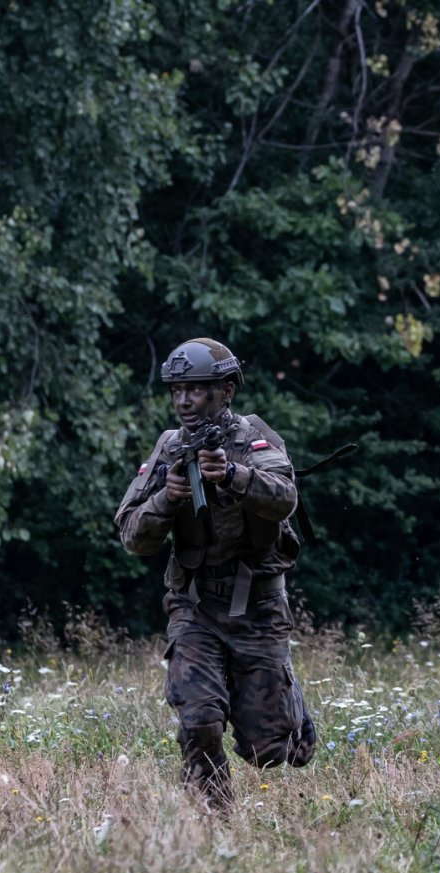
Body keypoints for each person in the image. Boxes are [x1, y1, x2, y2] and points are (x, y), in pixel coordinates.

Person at [114, 337, 315, 809]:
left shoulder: (254, 439)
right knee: (198, 718)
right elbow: (131, 536)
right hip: (195, 605)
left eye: (198, 389)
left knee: (271, 751)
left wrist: (233, 476)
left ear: (226, 391)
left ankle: (294, 715)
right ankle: (215, 819)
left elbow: (285, 497)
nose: (185, 400)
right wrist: (168, 499)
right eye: (177, 390)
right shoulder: (171, 447)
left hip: (259, 607)